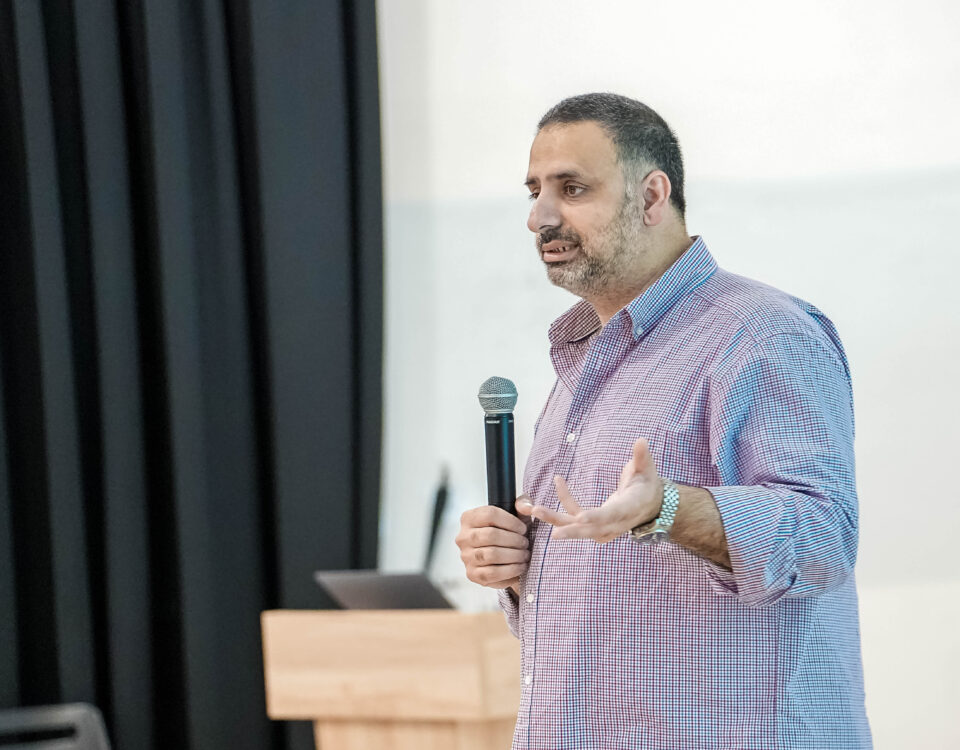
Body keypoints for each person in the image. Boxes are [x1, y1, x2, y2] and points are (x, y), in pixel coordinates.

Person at [455, 93, 872, 749]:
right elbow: (594, 598)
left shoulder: (765, 334)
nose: (540, 217)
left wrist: (669, 509)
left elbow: (823, 542)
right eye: (535, 192)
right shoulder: (581, 364)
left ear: (652, 196)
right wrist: (516, 566)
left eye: (572, 188)